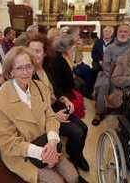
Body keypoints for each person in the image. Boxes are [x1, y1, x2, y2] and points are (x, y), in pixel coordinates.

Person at [0, 46, 79, 183]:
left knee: (73, 177)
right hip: (21, 153)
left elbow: (51, 117)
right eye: (19, 68)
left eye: (29, 66)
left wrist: (52, 142)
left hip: (46, 142)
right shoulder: (2, 97)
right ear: (10, 72)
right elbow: (6, 141)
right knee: (56, 181)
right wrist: (41, 153)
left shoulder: (39, 87)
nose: (26, 72)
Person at [28, 34, 89, 172]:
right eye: (30, 50)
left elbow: (56, 89)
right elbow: (31, 110)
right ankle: (74, 160)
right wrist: (55, 116)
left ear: (44, 53)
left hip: (55, 107)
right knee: (77, 132)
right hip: (45, 116)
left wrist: (65, 99)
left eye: (37, 51)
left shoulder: (47, 68)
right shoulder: (27, 74)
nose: (33, 55)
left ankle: (76, 156)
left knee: (84, 128)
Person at [92, 23, 130, 126]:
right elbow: (106, 64)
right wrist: (112, 76)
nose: (123, 34)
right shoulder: (111, 47)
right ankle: (99, 112)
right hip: (110, 73)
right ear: (117, 33)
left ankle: (129, 114)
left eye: (125, 31)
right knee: (103, 84)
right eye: (121, 31)